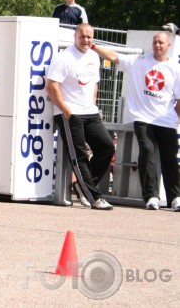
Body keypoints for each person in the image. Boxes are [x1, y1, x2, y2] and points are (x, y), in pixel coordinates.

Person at [92, 31, 180, 211]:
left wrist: (177, 119)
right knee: (147, 151)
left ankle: (175, 197)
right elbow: (115, 57)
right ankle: (151, 197)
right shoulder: (140, 61)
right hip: (143, 118)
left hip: (166, 120)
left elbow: (179, 99)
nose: (157, 45)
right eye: (155, 42)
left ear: (168, 46)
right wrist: (93, 46)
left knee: (169, 157)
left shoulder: (175, 68)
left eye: (161, 43)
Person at [46, 23, 115, 210]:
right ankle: (93, 198)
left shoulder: (94, 56)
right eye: (82, 36)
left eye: (89, 37)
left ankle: (83, 186)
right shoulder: (64, 57)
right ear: (75, 37)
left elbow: (94, 84)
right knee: (80, 155)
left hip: (89, 111)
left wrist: (93, 104)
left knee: (106, 147)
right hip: (70, 113)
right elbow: (52, 86)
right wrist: (67, 111)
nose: (86, 40)